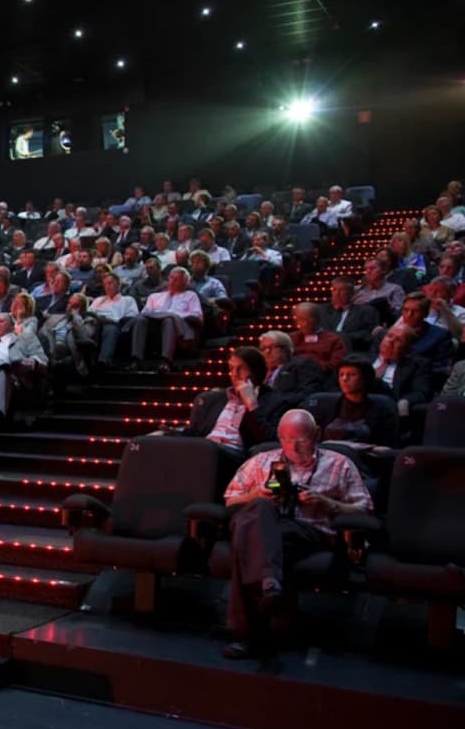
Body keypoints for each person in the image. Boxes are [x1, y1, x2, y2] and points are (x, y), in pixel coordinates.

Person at [220, 409, 372, 659]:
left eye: (301, 439)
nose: (294, 445)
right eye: (287, 439)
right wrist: (256, 495)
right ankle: (270, 585)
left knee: (248, 541)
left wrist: (327, 503)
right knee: (258, 511)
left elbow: (364, 510)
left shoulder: (339, 464)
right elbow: (230, 502)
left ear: (317, 435)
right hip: (263, 525)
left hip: (307, 530)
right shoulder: (259, 461)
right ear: (279, 438)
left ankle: (245, 636)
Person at [310, 357, 400, 448]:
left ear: (365, 378)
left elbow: (387, 445)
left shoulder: (382, 407)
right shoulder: (327, 405)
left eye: (352, 375)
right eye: (341, 375)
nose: (344, 379)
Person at [130, 267, 203, 371]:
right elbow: (145, 313)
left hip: (179, 326)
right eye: (171, 278)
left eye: (177, 279)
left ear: (185, 282)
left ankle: (166, 361)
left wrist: (174, 316)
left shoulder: (191, 296)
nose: (173, 281)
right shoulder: (154, 296)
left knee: (168, 320)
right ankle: (136, 360)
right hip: (154, 326)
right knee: (141, 319)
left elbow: (197, 316)